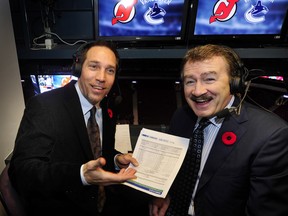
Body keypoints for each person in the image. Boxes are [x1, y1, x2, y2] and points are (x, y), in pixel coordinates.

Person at [149, 44, 288, 216]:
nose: (198, 91)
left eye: (209, 79)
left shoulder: (270, 135)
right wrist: (164, 194)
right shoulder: (181, 117)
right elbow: (174, 169)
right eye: (190, 81)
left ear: (234, 82)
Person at [8, 40, 139, 216]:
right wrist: (81, 175)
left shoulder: (108, 108)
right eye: (94, 66)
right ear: (78, 69)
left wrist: (116, 159)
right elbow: (23, 173)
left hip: (102, 203)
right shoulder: (45, 106)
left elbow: (97, 152)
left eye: (110, 70)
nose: (102, 77)